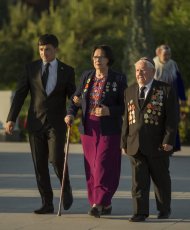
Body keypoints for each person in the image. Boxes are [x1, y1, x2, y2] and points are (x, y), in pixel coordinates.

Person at [5, 34, 76, 214]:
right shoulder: (31, 68)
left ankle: (65, 187)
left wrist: (73, 112)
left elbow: (73, 97)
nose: (44, 52)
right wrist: (11, 118)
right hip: (36, 123)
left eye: (48, 49)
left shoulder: (67, 71)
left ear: (56, 50)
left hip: (57, 124)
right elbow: (20, 94)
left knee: (56, 159)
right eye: (41, 49)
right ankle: (47, 203)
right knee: (40, 165)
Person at [65, 44, 127, 217]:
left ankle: (97, 204)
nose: (97, 60)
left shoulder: (118, 79)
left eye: (101, 57)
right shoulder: (87, 76)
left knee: (103, 164)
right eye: (94, 57)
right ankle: (103, 203)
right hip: (89, 128)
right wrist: (70, 114)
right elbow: (75, 99)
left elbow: (125, 106)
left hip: (110, 128)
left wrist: (109, 111)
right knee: (92, 168)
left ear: (108, 60)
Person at [121, 57, 178, 222]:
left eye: (143, 70)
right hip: (135, 143)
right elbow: (127, 119)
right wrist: (123, 141)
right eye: (137, 70)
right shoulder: (129, 91)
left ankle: (164, 209)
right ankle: (140, 212)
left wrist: (168, 139)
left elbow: (172, 118)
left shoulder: (165, 90)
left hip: (158, 144)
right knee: (138, 181)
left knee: (160, 179)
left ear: (152, 72)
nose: (140, 73)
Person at [154, 44, 186, 151]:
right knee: (158, 120)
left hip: (172, 97)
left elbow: (180, 83)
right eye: (165, 54)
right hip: (157, 98)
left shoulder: (173, 65)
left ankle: (173, 146)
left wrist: (183, 98)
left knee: (172, 121)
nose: (167, 56)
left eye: (169, 54)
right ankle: (158, 144)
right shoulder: (153, 65)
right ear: (158, 54)